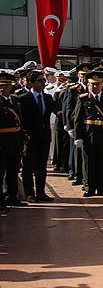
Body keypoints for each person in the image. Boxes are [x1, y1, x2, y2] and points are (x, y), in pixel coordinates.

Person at [73, 70, 103, 197]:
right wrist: (78, 137)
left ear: (102, 85)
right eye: (93, 84)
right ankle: (89, 187)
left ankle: (102, 187)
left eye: (98, 84)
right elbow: (77, 119)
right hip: (88, 134)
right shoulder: (83, 99)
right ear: (88, 85)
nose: (95, 87)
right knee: (88, 162)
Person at [19, 70, 59, 202]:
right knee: (28, 167)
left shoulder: (47, 98)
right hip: (30, 138)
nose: (43, 83)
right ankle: (29, 193)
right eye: (40, 81)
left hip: (44, 137)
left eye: (44, 80)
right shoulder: (23, 99)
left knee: (41, 167)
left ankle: (41, 192)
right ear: (31, 83)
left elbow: (57, 111)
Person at [1, 71, 26, 210]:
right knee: (1, 171)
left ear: (11, 86)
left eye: (6, 85)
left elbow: (20, 121)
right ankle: (1, 200)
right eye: (1, 85)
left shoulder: (15, 100)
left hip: (15, 140)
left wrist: (23, 139)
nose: (3, 88)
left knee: (13, 169)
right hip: (2, 141)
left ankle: (12, 196)